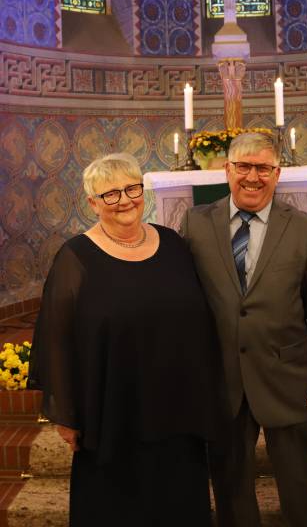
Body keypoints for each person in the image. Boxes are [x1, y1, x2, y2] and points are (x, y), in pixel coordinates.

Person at [28, 152, 222, 527]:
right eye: (110, 194)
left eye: (132, 188)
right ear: (92, 203)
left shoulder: (171, 243)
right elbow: (57, 340)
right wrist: (67, 415)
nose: (125, 200)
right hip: (113, 408)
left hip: (177, 405)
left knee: (178, 502)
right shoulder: (75, 257)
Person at [180, 131, 307, 527]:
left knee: (299, 489)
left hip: (288, 378)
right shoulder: (195, 223)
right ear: (227, 169)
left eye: (263, 168)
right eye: (244, 167)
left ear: (278, 172)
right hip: (223, 378)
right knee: (231, 489)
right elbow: (182, 301)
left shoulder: (305, 228)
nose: (253, 177)